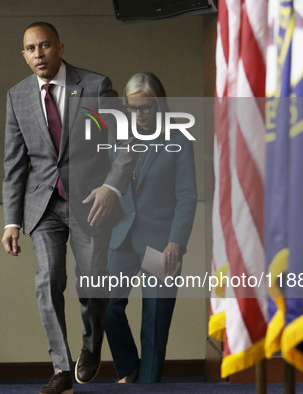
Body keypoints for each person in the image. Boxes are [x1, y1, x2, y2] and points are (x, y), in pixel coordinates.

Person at [1, 22, 135, 394]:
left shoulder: (94, 85)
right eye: (30, 48)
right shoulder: (17, 97)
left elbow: (127, 141)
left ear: (60, 47)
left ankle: (91, 348)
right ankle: (61, 368)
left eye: (45, 45)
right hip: (43, 205)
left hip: (92, 202)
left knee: (90, 281)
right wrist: (11, 221)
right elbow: (14, 166)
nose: (38, 53)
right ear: (24, 55)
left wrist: (112, 187)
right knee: (48, 280)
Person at [105, 72, 197, 383]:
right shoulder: (115, 138)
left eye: (145, 107)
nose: (139, 114)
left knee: (155, 322)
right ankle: (130, 367)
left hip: (161, 243)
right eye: (133, 108)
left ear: (158, 105)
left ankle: (148, 387)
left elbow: (187, 197)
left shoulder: (179, 140)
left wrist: (176, 243)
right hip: (121, 237)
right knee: (105, 305)